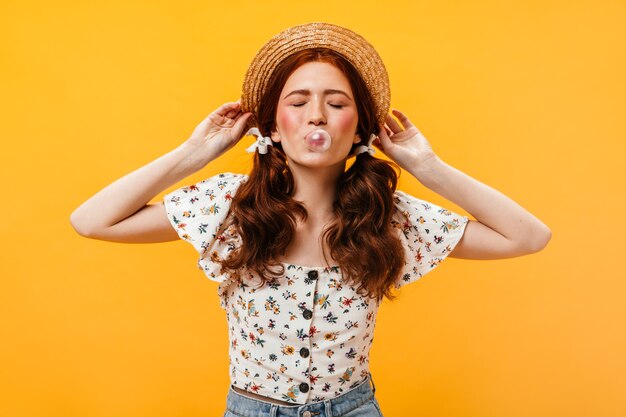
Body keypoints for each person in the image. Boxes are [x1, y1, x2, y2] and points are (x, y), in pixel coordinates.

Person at [70, 22, 551, 417]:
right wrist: (193, 154)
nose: (317, 117)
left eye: (337, 104)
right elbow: (92, 221)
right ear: (274, 127)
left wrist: (428, 168)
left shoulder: (386, 217)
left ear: (360, 126)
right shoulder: (228, 209)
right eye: (298, 103)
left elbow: (529, 236)